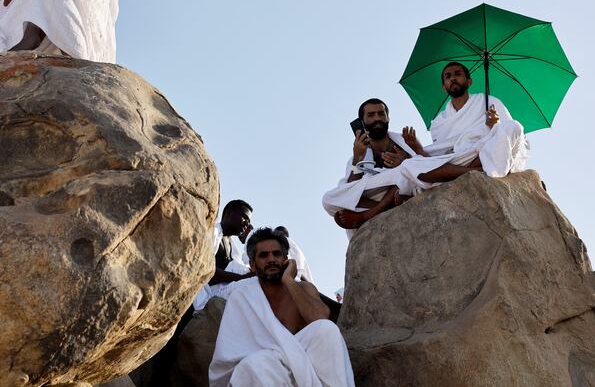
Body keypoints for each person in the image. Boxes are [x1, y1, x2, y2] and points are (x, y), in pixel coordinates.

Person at [209, 228, 355, 387]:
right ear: (252, 264)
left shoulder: (302, 288)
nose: (271, 259)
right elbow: (229, 357)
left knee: (326, 330)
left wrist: (289, 281)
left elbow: (320, 319)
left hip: (306, 366)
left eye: (276, 254)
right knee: (256, 364)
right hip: (265, 369)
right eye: (263, 255)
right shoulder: (242, 297)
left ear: (286, 259)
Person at [398, 62, 529, 192]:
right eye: (448, 77)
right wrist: (418, 149)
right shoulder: (439, 122)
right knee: (408, 165)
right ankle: (474, 171)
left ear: (469, 81)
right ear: (444, 87)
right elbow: (439, 157)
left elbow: (512, 137)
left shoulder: (489, 102)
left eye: (458, 74)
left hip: (485, 152)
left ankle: (462, 173)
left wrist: (496, 124)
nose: (453, 78)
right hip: (458, 160)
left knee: (514, 126)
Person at [321, 98, 416, 237]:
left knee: (407, 170)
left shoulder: (404, 142)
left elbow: (422, 166)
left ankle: (370, 214)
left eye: (381, 114)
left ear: (388, 117)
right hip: (375, 195)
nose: (377, 118)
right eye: (371, 115)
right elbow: (351, 188)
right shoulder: (358, 153)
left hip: (400, 187)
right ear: (362, 122)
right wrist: (357, 159)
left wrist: (405, 161)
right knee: (328, 199)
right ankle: (384, 208)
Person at [193, 200, 256, 311]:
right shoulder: (212, 233)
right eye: (244, 217)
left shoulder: (233, 247)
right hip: (196, 301)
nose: (247, 223)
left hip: (214, 303)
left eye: (249, 221)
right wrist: (241, 278)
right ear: (228, 213)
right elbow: (204, 270)